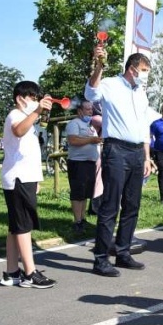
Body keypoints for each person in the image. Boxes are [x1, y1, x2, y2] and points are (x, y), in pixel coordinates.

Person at [84, 47, 152, 277]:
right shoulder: (111, 84)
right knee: (110, 205)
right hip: (116, 149)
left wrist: (147, 157)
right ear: (132, 69)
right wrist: (99, 66)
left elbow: (144, 127)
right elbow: (91, 93)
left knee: (132, 205)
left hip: (136, 152)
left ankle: (122, 252)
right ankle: (101, 259)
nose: (145, 75)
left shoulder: (141, 92)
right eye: (143, 70)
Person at [0, 81, 56, 288]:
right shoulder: (16, 115)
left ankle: (12, 272)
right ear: (20, 99)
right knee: (24, 226)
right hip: (17, 178)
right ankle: (30, 274)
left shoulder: (27, 119)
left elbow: (29, 153)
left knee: (16, 227)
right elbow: (17, 131)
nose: (35, 101)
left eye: (36, 98)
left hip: (26, 178)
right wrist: (37, 111)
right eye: (32, 98)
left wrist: (37, 179)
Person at [66, 100, 102, 233]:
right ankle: (77, 221)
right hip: (78, 163)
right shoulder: (74, 124)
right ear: (79, 111)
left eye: (91, 110)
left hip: (89, 163)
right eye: (87, 109)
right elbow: (73, 140)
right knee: (77, 193)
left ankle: (83, 218)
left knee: (86, 193)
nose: (90, 112)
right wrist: (92, 140)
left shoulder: (90, 126)